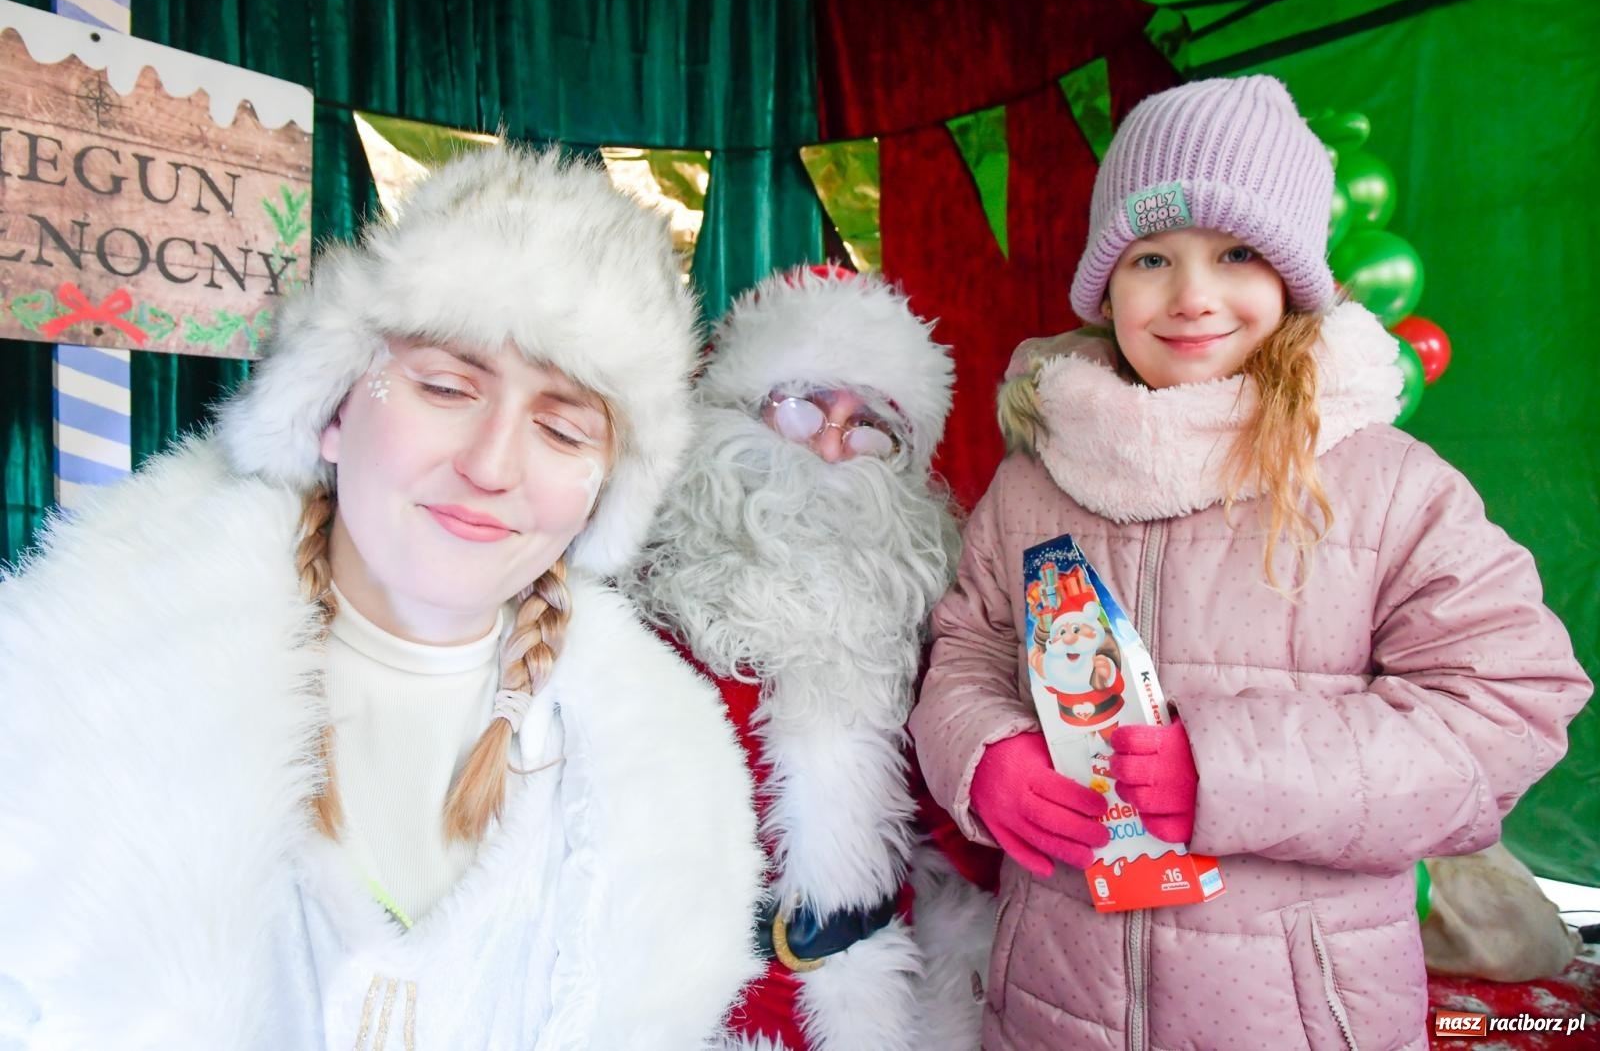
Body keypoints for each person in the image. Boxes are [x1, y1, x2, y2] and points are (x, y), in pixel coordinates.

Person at [0, 145, 765, 1049]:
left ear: (602, 491)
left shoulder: (668, 781)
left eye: (561, 428)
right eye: (446, 387)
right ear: (331, 408)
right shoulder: (66, 695)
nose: (490, 464)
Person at [909, 75, 1592, 1050]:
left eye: (1236, 252)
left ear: (1294, 279)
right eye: (1151, 256)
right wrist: (981, 753)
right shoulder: (1035, 482)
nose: (1192, 295)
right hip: (1056, 1001)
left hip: (1301, 1014)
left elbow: (1512, 705)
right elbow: (968, 646)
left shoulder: (1384, 483)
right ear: (1106, 283)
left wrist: (1229, 772)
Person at [624, 266, 996, 1051]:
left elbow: (965, 823)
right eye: (802, 406)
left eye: (870, 428)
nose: (832, 445)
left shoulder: (919, 615)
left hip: (885, 1004)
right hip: (684, 1007)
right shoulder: (635, 600)